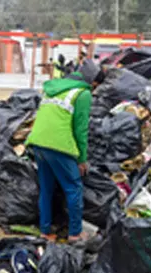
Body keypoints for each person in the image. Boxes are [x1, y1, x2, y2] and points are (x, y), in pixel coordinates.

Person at [26, 59, 105, 244]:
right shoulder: (82, 93)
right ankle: (75, 233)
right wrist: (82, 159)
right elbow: (81, 129)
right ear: (90, 80)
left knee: (46, 189)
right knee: (74, 188)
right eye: (94, 85)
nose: (94, 89)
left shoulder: (53, 88)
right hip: (59, 146)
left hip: (37, 142)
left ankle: (45, 232)